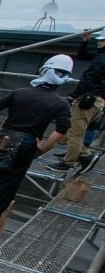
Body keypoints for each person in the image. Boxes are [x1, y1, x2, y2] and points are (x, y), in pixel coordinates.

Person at [0, 55, 72, 223]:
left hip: (4, 138)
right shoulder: (59, 103)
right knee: (9, 181)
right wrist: (43, 147)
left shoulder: (19, 93)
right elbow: (62, 129)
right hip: (26, 143)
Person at [51, 28, 105, 171]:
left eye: (101, 41)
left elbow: (88, 79)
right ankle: (75, 153)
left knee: (75, 132)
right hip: (98, 100)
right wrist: (85, 41)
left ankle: (73, 160)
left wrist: (73, 95)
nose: (99, 43)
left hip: (90, 99)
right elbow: (83, 55)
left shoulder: (102, 60)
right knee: (73, 130)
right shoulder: (101, 56)